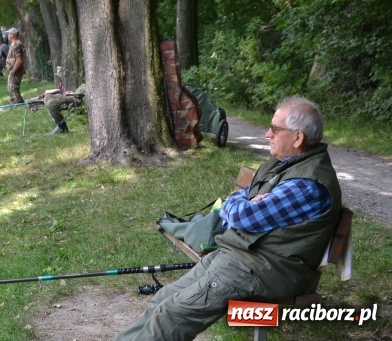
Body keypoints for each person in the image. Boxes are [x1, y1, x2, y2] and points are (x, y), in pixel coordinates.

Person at [117, 96, 342, 341]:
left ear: (297, 138)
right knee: (162, 299)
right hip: (240, 256)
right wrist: (240, 202)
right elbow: (239, 201)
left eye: (275, 129)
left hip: (263, 270)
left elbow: (242, 216)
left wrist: (239, 204)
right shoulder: (286, 165)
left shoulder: (306, 185)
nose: (267, 134)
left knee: (171, 314)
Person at [5, 27, 24, 103]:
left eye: (9, 33)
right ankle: (16, 101)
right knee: (10, 87)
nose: (8, 35)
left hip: (16, 70)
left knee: (13, 87)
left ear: (12, 34)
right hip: (14, 69)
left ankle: (18, 102)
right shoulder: (14, 44)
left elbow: (19, 60)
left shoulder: (16, 44)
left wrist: (13, 71)